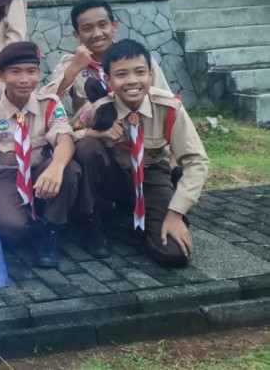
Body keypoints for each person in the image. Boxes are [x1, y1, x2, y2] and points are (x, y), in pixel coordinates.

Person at [73, 39, 208, 267]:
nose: (132, 81)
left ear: (151, 74)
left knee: (173, 255)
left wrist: (175, 213)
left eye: (140, 72)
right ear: (108, 79)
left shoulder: (169, 108)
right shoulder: (98, 108)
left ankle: (149, 220)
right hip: (114, 178)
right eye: (122, 74)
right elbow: (66, 133)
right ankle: (90, 220)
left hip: (151, 175)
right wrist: (94, 134)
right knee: (87, 148)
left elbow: (197, 161)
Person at [0, 42, 80, 268]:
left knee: (69, 168)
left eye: (31, 72)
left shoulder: (49, 104)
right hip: (5, 175)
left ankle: (50, 230)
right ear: (1, 75)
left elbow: (65, 138)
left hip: (39, 171)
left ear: (39, 74)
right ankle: (31, 226)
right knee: (11, 230)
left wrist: (56, 167)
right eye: (15, 72)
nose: (24, 79)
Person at [43, 0, 172, 116]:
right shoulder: (71, 64)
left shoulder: (138, 57)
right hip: (95, 133)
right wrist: (73, 70)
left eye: (103, 25)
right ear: (77, 34)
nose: (97, 34)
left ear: (114, 26)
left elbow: (166, 98)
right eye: (87, 29)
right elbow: (44, 105)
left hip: (142, 126)